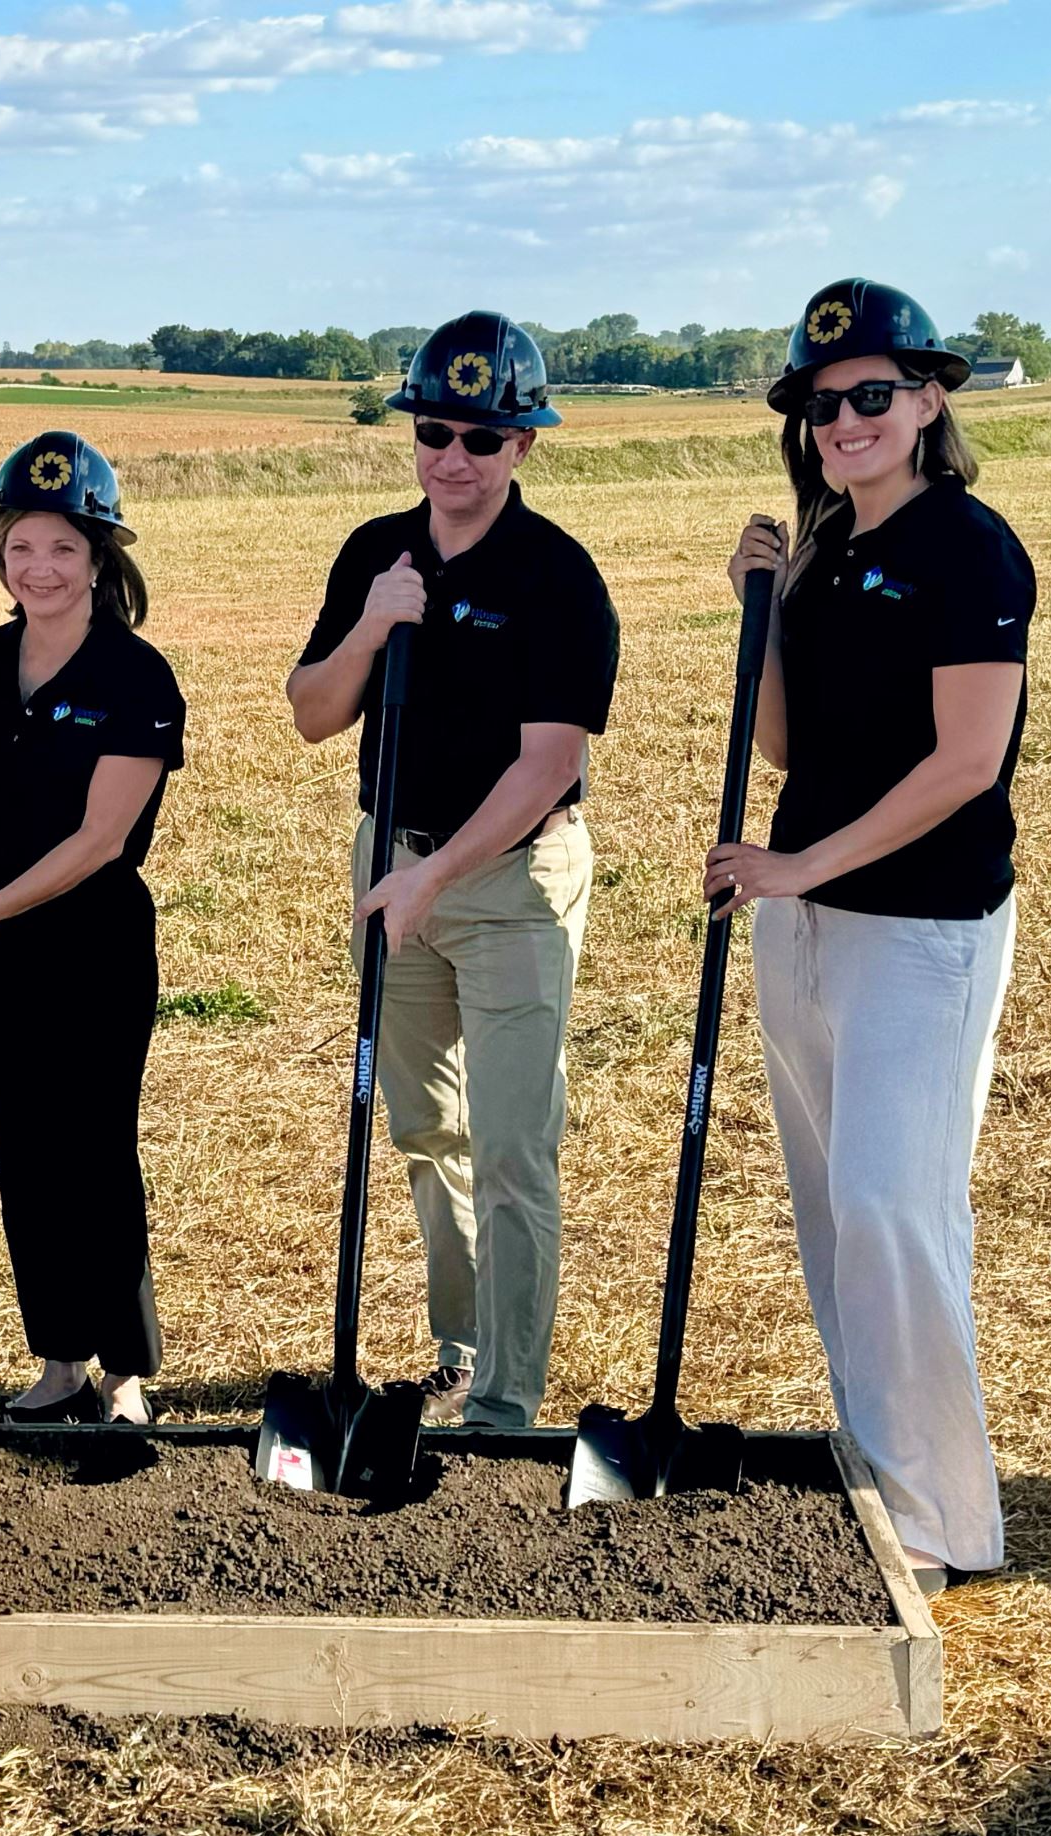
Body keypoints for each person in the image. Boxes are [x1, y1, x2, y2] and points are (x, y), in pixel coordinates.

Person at [712, 278, 1030, 1585]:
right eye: (823, 403)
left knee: (896, 1207)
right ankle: (883, 1466)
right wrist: (763, 606)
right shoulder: (829, 544)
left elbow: (966, 762)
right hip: (809, 922)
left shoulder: (971, 546)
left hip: (921, 928)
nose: (845, 418)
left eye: (873, 397)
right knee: (837, 1210)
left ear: (929, 399)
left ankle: (946, 1520)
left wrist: (800, 861)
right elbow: (786, 740)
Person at [285, 313, 621, 1431]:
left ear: (524, 443)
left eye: (481, 436)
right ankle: (461, 1335)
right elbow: (311, 716)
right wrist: (373, 628)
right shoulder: (373, 553)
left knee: (515, 1141)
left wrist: (434, 883)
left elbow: (548, 766)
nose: (452, 457)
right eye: (434, 430)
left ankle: (506, 1396)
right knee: (425, 1125)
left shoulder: (559, 576)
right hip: (390, 861)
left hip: (511, 879)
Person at [0, 432, 186, 1425]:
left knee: (93, 1146)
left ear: (100, 558)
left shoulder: (135, 676)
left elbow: (102, 840)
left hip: (93, 938)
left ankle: (125, 1371)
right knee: (24, 1143)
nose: (38, 567)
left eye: (62, 549)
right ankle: (60, 1358)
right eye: (20, 547)